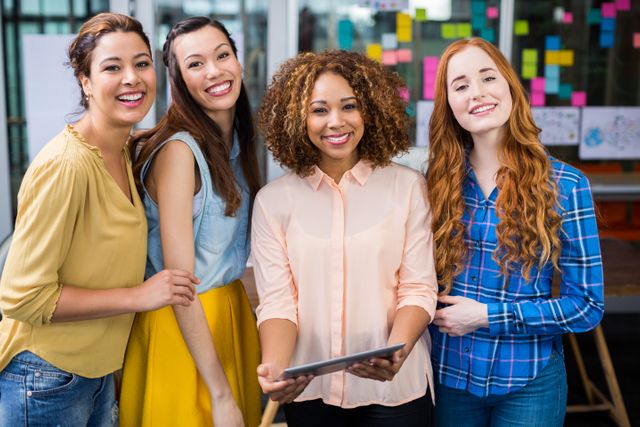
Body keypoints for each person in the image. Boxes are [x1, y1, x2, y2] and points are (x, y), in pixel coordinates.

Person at [0, 12, 199, 427]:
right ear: (85, 82)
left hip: (95, 373)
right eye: (112, 67)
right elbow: (21, 296)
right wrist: (138, 297)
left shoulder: (124, 151)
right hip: (45, 378)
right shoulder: (66, 166)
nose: (132, 78)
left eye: (142, 63)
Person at [253, 50, 438, 426]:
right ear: (296, 118)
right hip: (311, 393)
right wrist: (275, 369)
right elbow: (278, 303)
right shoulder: (274, 201)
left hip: (397, 394)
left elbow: (418, 289)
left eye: (349, 106)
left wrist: (397, 351)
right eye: (318, 110)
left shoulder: (408, 188)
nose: (335, 122)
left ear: (370, 109)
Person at [425, 38, 604, 427]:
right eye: (460, 85)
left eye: (488, 77)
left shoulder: (566, 186)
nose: (477, 93)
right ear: (449, 105)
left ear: (509, 86)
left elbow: (587, 306)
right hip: (448, 377)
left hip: (530, 381)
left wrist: (490, 316)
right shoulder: (435, 183)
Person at [119, 17, 262, 427]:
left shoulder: (235, 143)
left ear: (239, 62)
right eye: (195, 64)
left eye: (222, 55)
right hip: (183, 330)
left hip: (230, 317)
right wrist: (219, 394)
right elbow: (179, 284)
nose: (215, 71)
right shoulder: (179, 152)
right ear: (178, 79)